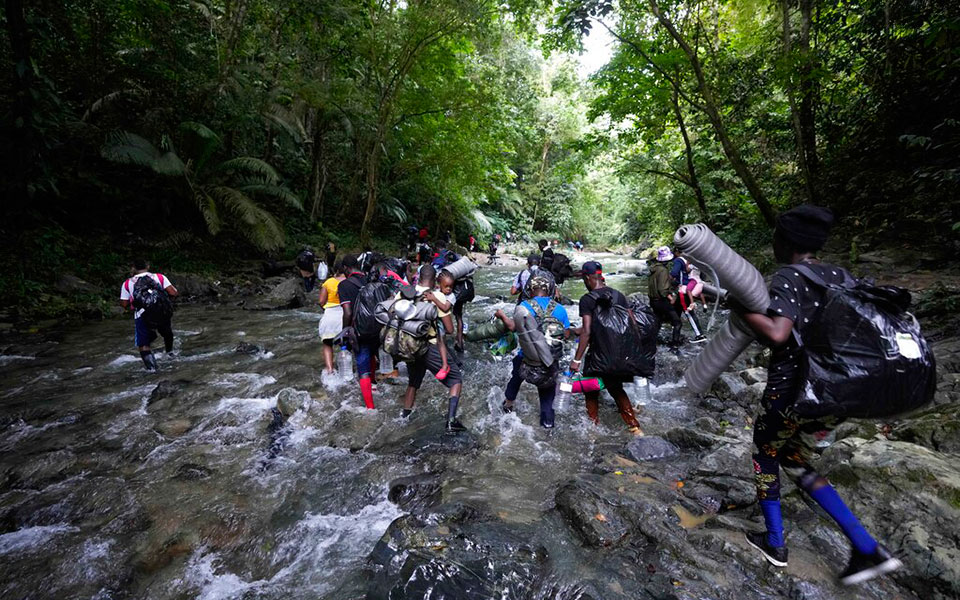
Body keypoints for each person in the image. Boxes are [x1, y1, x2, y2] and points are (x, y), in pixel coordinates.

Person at [732, 205, 901, 584]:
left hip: (792, 393)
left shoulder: (790, 277)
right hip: (835, 395)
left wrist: (741, 308)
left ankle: (775, 542)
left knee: (764, 455)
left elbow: (777, 333)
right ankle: (865, 546)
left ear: (787, 242)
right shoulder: (840, 276)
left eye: (776, 236)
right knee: (796, 460)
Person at [570, 261, 643, 435]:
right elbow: (632, 324)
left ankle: (592, 428)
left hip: (598, 354)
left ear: (587, 278)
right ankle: (634, 426)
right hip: (618, 353)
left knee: (590, 389)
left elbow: (587, 331)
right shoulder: (618, 295)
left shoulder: (587, 299)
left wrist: (576, 359)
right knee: (616, 388)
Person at [493, 274, 574, 428]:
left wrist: (502, 316)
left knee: (515, 377)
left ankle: (508, 405)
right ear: (550, 290)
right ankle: (548, 425)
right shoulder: (560, 309)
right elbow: (567, 334)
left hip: (527, 360)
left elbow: (513, 327)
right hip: (549, 362)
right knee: (547, 396)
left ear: (530, 290)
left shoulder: (524, 306)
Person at [399, 265, 465, 432]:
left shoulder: (403, 292)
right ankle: (451, 421)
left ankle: (404, 417)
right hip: (430, 346)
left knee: (413, 382)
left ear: (418, 276)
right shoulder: (437, 296)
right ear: (436, 281)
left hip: (408, 345)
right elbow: (450, 330)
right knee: (456, 379)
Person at [120, 259, 179, 371]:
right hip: (162, 312)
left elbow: (124, 303)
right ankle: (170, 354)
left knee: (143, 344)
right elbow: (173, 293)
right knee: (167, 333)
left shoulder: (127, 283)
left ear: (133, 268)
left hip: (141, 315)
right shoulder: (160, 277)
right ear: (147, 266)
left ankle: (152, 370)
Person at [338, 254, 378, 409]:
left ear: (346, 268)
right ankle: (374, 386)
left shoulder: (344, 285)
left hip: (360, 330)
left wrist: (345, 331)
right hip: (377, 327)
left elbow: (347, 312)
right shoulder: (370, 280)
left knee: (362, 366)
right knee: (373, 355)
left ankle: (370, 408)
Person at [648, 246, 683, 348]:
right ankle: (675, 345)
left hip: (653, 301)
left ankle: (651, 341)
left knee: (658, 322)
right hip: (662, 301)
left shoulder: (654, 269)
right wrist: (671, 297)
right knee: (677, 323)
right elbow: (662, 290)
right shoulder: (663, 270)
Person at [670, 253, 707, 343]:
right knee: (676, 310)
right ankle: (674, 330)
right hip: (682, 289)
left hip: (683, 290)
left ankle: (699, 335)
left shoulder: (679, 261)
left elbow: (674, 273)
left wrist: (668, 280)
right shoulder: (689, 261)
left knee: (688, 313)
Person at [317, 261, 346, 375]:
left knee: (327, 343)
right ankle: (346, 369)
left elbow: (321, 301)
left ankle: (330, 370)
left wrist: (326, 309)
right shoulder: (349, 282)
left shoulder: (328, 282)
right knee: (345, 344)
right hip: (344, 315)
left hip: (330, 315)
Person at [437, 270, 470, 352]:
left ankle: (457, 343)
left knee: (446, 331)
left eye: (451, 287)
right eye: (446, 286)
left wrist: (434, 299)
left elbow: (445, 308)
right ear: (439, 285)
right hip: (439, 318)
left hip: (445, 317)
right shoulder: (437, 292)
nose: (448, 289)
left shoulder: (451, 296)